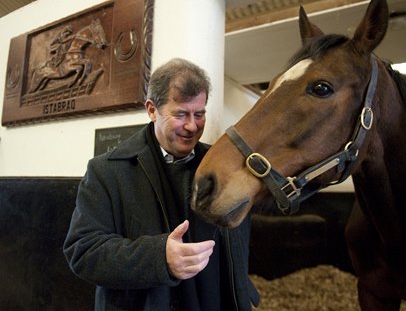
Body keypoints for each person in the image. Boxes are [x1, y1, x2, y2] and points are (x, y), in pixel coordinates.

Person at [63, 58, 259, 310]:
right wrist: (158, 258)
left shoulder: (223, 166)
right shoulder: (106, 170)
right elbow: (83, 252)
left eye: (199, 114)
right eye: (180, 114)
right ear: (152, 109)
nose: (191, 126)